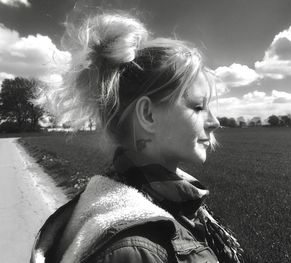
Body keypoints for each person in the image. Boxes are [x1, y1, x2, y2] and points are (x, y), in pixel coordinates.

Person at [31, 11, 249, 263]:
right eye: (198, 107)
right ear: (147, 114)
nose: (215, 122)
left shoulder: (160, 204)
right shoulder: (135, 251)